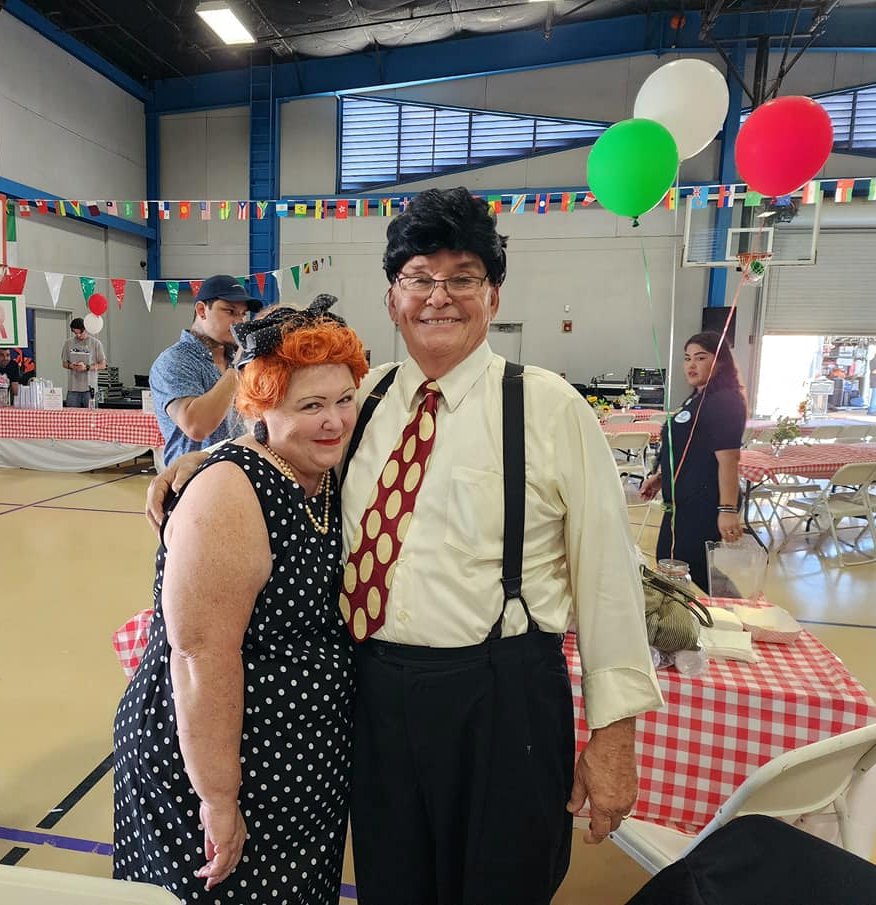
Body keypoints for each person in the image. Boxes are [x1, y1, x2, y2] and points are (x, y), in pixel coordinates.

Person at [149, 188, 663, 905]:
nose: (438, 296)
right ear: (392, 299)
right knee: (393, 886)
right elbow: (287, 440)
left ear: (493, 296)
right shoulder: (368, 401)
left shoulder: (549, 407)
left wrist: (613, 738)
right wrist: (202, 463)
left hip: (503, 698)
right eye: (418, 277)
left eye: (463, 277)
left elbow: (609, 580)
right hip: (377, 696)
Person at [114, 302, 369, 904]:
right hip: (220, 770)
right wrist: (218, 798)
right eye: (309, 405)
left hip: (296, 769)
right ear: (260, 407)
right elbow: (200, 657)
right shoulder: (230, 492)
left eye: (343, 399)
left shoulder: (322, 472)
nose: (333, 420)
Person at [640, 331, 747, 590]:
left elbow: (728, 459)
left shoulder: (725, 400)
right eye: (687, 358)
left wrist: (727, 510)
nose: (691, 365)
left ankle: (737, 609)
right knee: (675, 561)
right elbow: (690, 449)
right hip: (683, 501)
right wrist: (661, 478)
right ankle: (706, 611)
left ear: (720, 361)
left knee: (689, 564)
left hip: (704, 502)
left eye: (700, 358)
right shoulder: (698, 398)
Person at [150, 275, 262, 465]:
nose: (239, 322)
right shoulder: (174, 360)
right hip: (194, 476)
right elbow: (196, 426)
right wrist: (236, 369)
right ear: (202, 310)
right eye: (230, 311)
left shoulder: (235, 359)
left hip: (239, 470)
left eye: (243, 314)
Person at [61, 317, 106, 407]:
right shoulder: (68, 343)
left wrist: (87, 367)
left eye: (80, 333)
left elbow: (103, 365)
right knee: (72, 414)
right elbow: (64, 363)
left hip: (90, 388)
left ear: (86, 329)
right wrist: (72, 366)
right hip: (73, 388)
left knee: (91, 414)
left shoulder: (96, 343)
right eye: (75, 333)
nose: (78, 335)